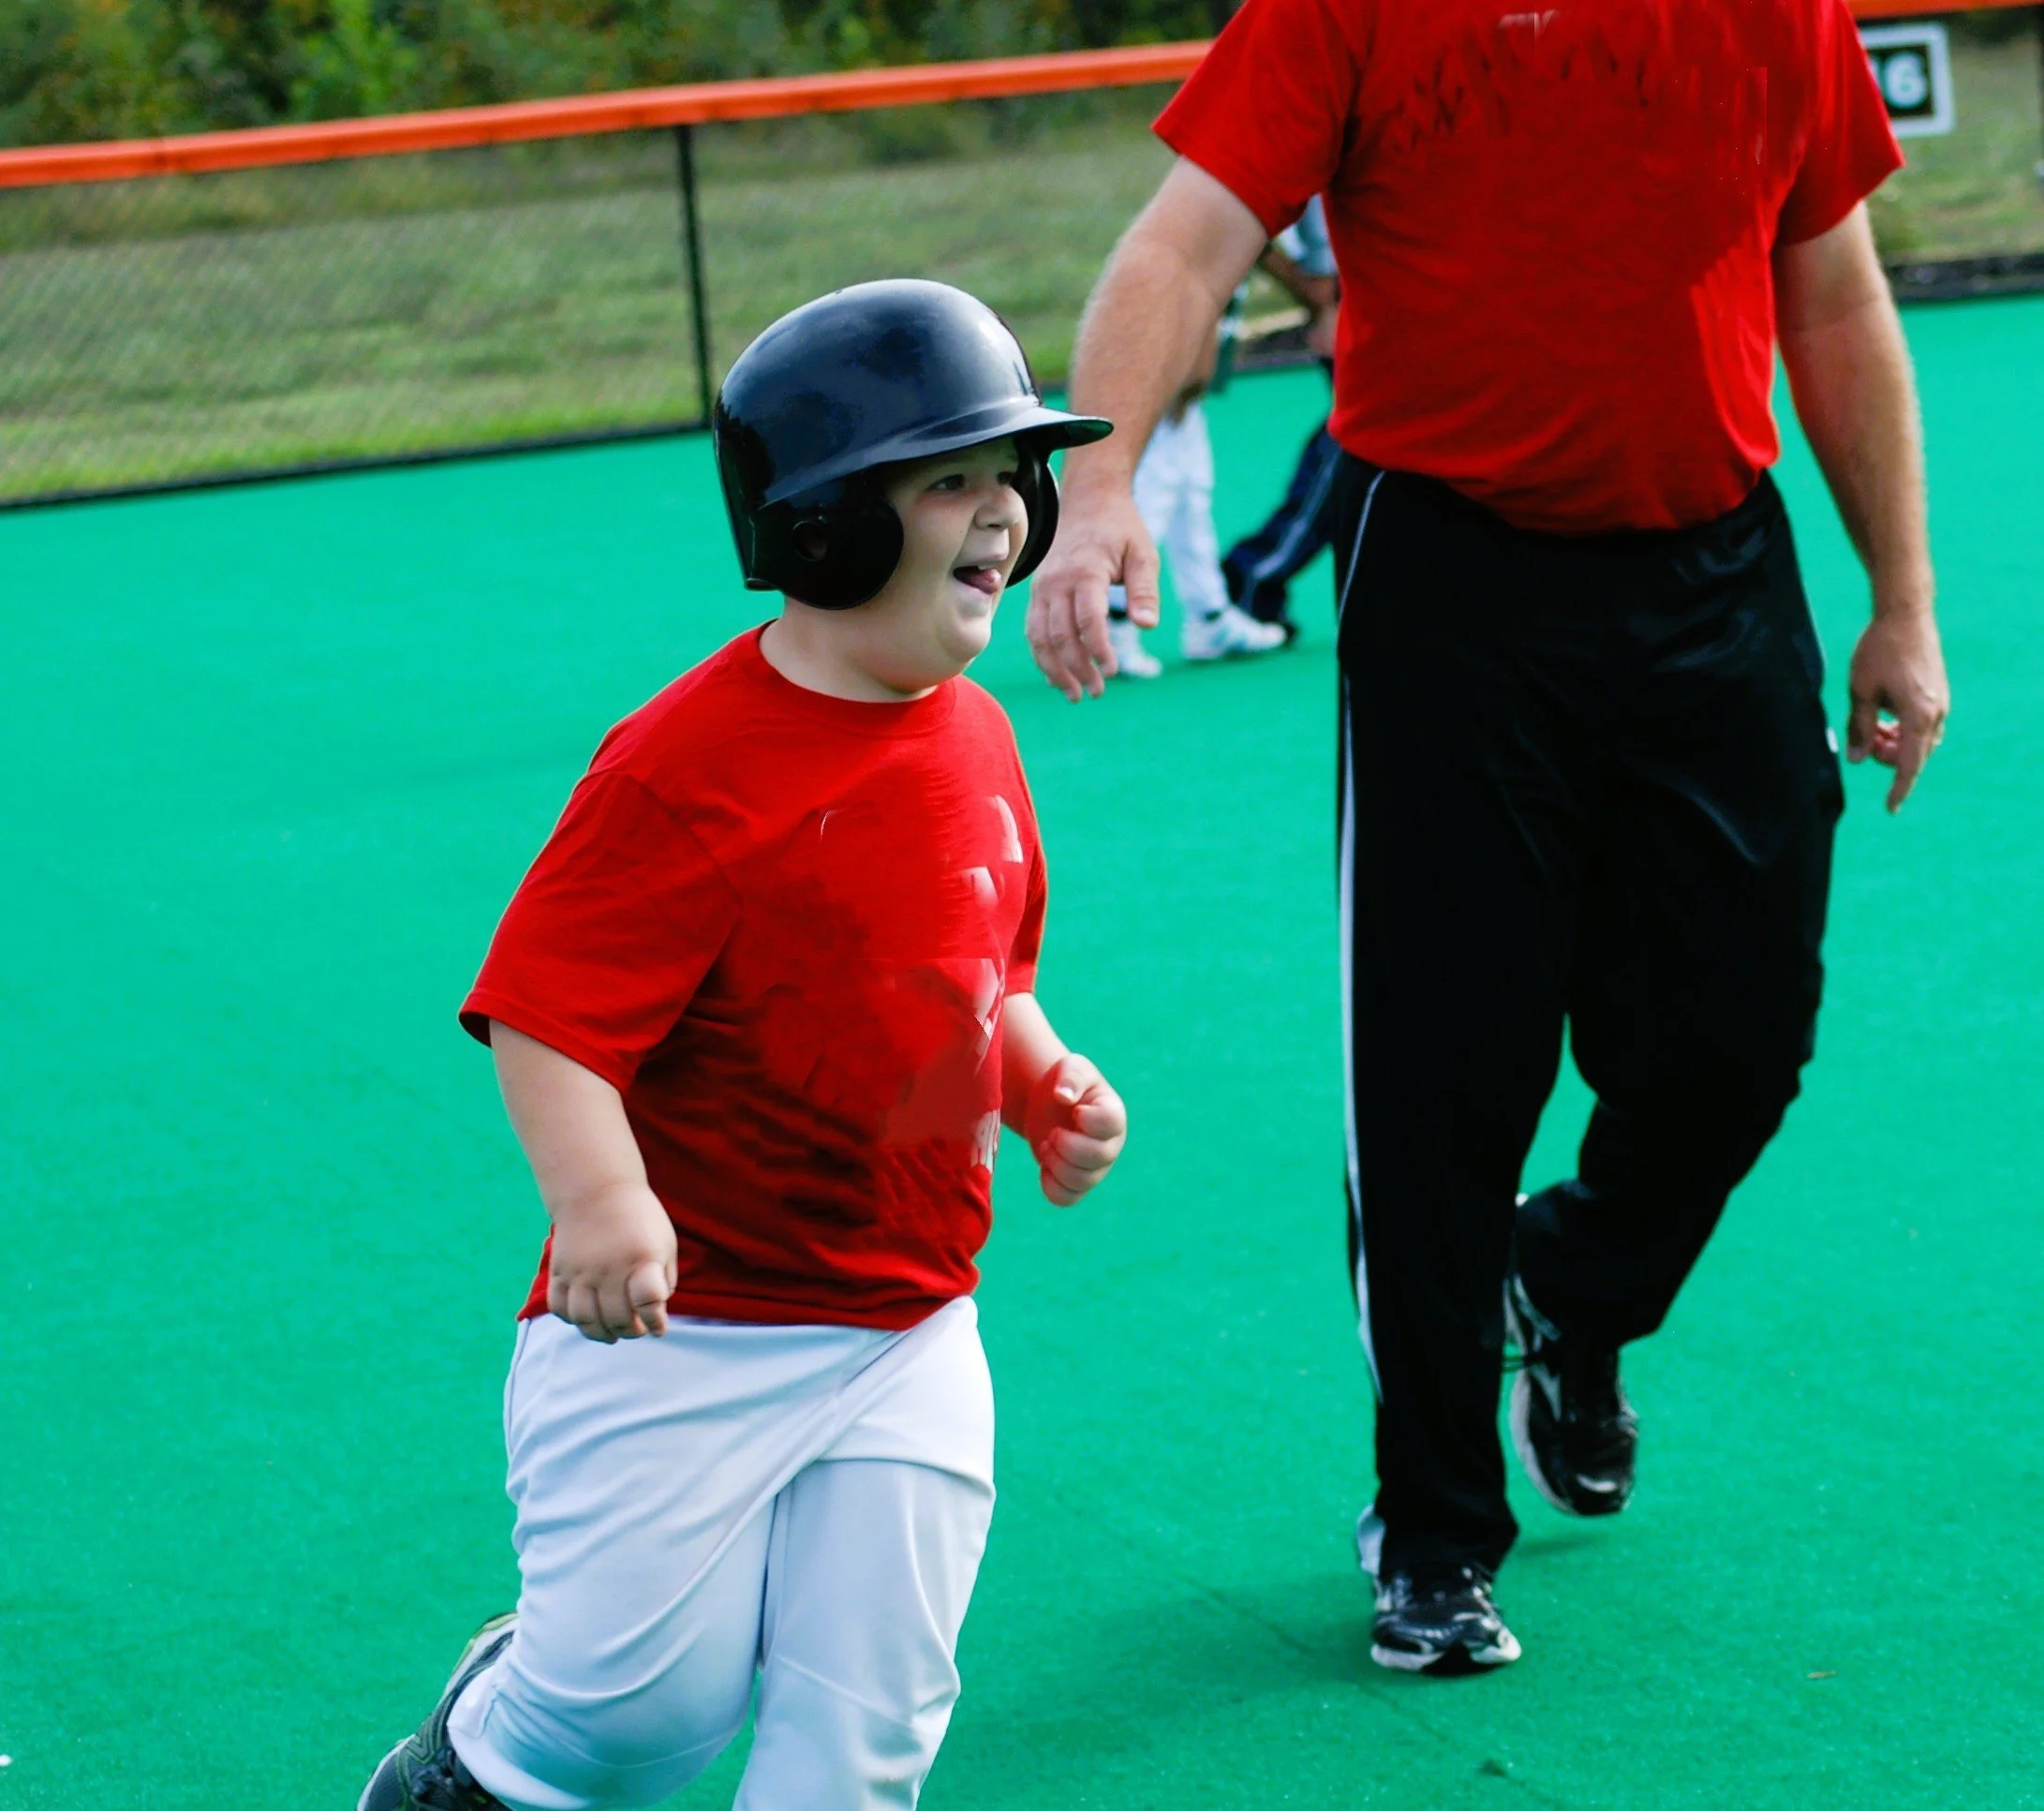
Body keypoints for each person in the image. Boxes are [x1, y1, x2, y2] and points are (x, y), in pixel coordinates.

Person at [1027, 0, 1950, 1676]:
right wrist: (1094, 496)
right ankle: (1435, 1528)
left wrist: (1902, 600)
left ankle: (1572, 1285)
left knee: (1736, 1040)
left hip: (1711, 576)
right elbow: (1181, 249)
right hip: (1451, 582)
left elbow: (1828, 285)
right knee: (1441, 1078)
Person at [359, 280, 1129, 1811]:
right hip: (679, 1339)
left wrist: (1037, 1076)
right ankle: (476, 1748)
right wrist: (599, 1202)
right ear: (827, 521)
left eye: (1011, 480)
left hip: (909, 1322)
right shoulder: (684, 768)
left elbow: (978, 976)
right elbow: (545, 1010)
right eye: (949, 479)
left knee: (870, 1722)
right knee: (642, 1719)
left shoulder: (975, 736)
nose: (1000, 515)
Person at [1105, 319, 1288, 677]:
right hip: (1163, 384)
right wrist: (1176, 378)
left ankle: (1209, 618)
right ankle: (1113, 622)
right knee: (1152, 501)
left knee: (1192, 501)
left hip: (1186, 395)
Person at [1221, 194, 1343, 640]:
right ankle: (1255, 571)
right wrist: (1322, 297)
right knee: (1354, 445)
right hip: (1352, 286)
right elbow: (1237, 198)